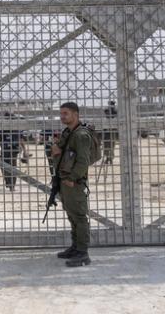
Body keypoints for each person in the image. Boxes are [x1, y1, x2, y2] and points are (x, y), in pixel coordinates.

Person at [50, 102, 97, 267]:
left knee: (79, 217)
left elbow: (83, 161)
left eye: (66, 114)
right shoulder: (68, 133)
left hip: (73, 182)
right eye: (61, 114)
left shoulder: (81, 135)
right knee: (71, 215)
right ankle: (75, 247)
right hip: (65, 180)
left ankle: (83, 253)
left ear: (75, 115)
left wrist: (73, 178)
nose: (62, 117)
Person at [0, 111, 22, 191]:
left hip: (11, 149)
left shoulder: (14, 126)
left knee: (9, 167)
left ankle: (11, 184)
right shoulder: (3, 126)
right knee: (8, 167)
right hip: (8, 149)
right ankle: (10, 183)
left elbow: (19, 138)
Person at [101, 100, 117, 164]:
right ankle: (108, 158)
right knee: (108, 145)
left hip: (110, 131)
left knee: (109, 145)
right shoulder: (112, 113)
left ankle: (109, 158)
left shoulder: (114, 113)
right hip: (109, 131)